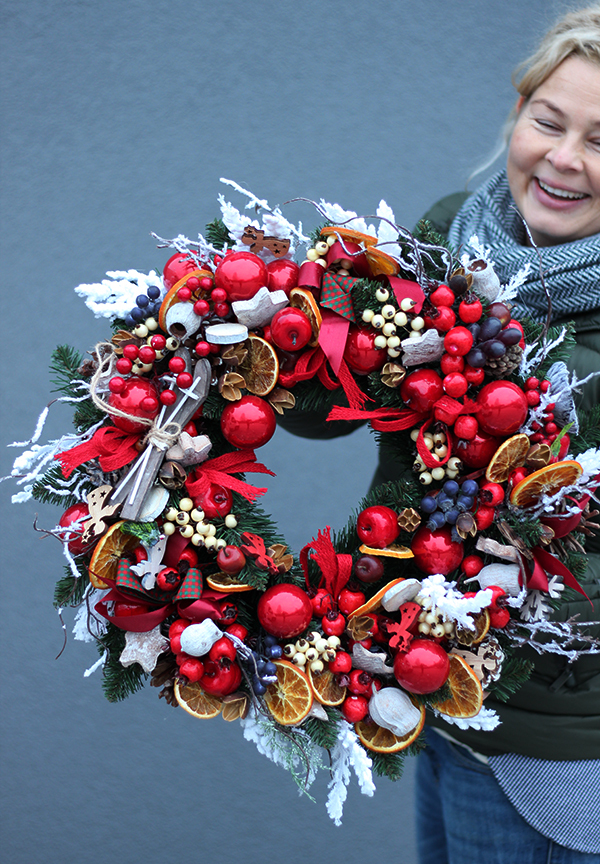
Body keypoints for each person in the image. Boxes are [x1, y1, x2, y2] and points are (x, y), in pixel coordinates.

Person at [411, 7, 600, 862]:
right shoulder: (452, 240)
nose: (563, 158)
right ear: (517, 114)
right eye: (549, 121)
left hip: (563, 751)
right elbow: (342, 397)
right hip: (435, 705)